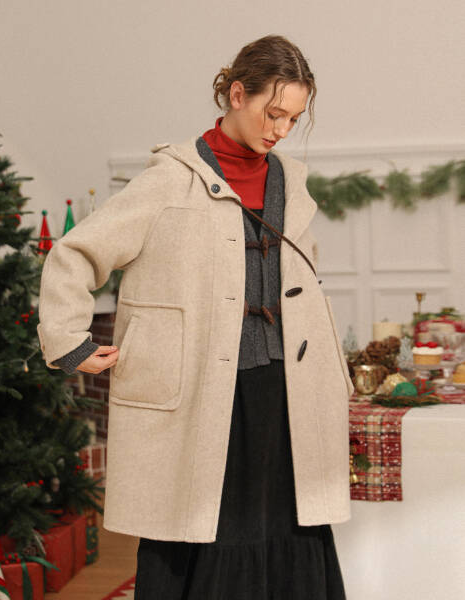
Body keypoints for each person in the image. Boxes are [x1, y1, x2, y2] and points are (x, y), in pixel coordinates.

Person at [37, 34, 354, 599]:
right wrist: (69, 340)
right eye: (273, 113)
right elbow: (75, 251)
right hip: (202, 391)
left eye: (293, 118)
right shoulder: (169, 179)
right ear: (237, 94)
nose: (281, 130)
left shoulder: (289, 181)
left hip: (287, 387)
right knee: (200, 525)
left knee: (291, 522)